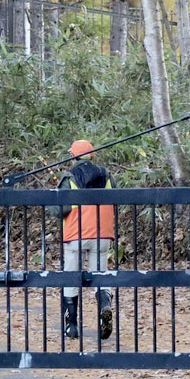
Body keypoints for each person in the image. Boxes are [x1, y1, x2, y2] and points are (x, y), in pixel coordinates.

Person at [47, 140, 115, 341]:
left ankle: (72, 326)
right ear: (92, 156)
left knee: (71, 277)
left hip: (76, 234)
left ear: (73, 157)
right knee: (100, 275)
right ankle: (105, 307)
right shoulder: (106, 175)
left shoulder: (70, 177)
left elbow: (59, 209)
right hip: (102, 233)